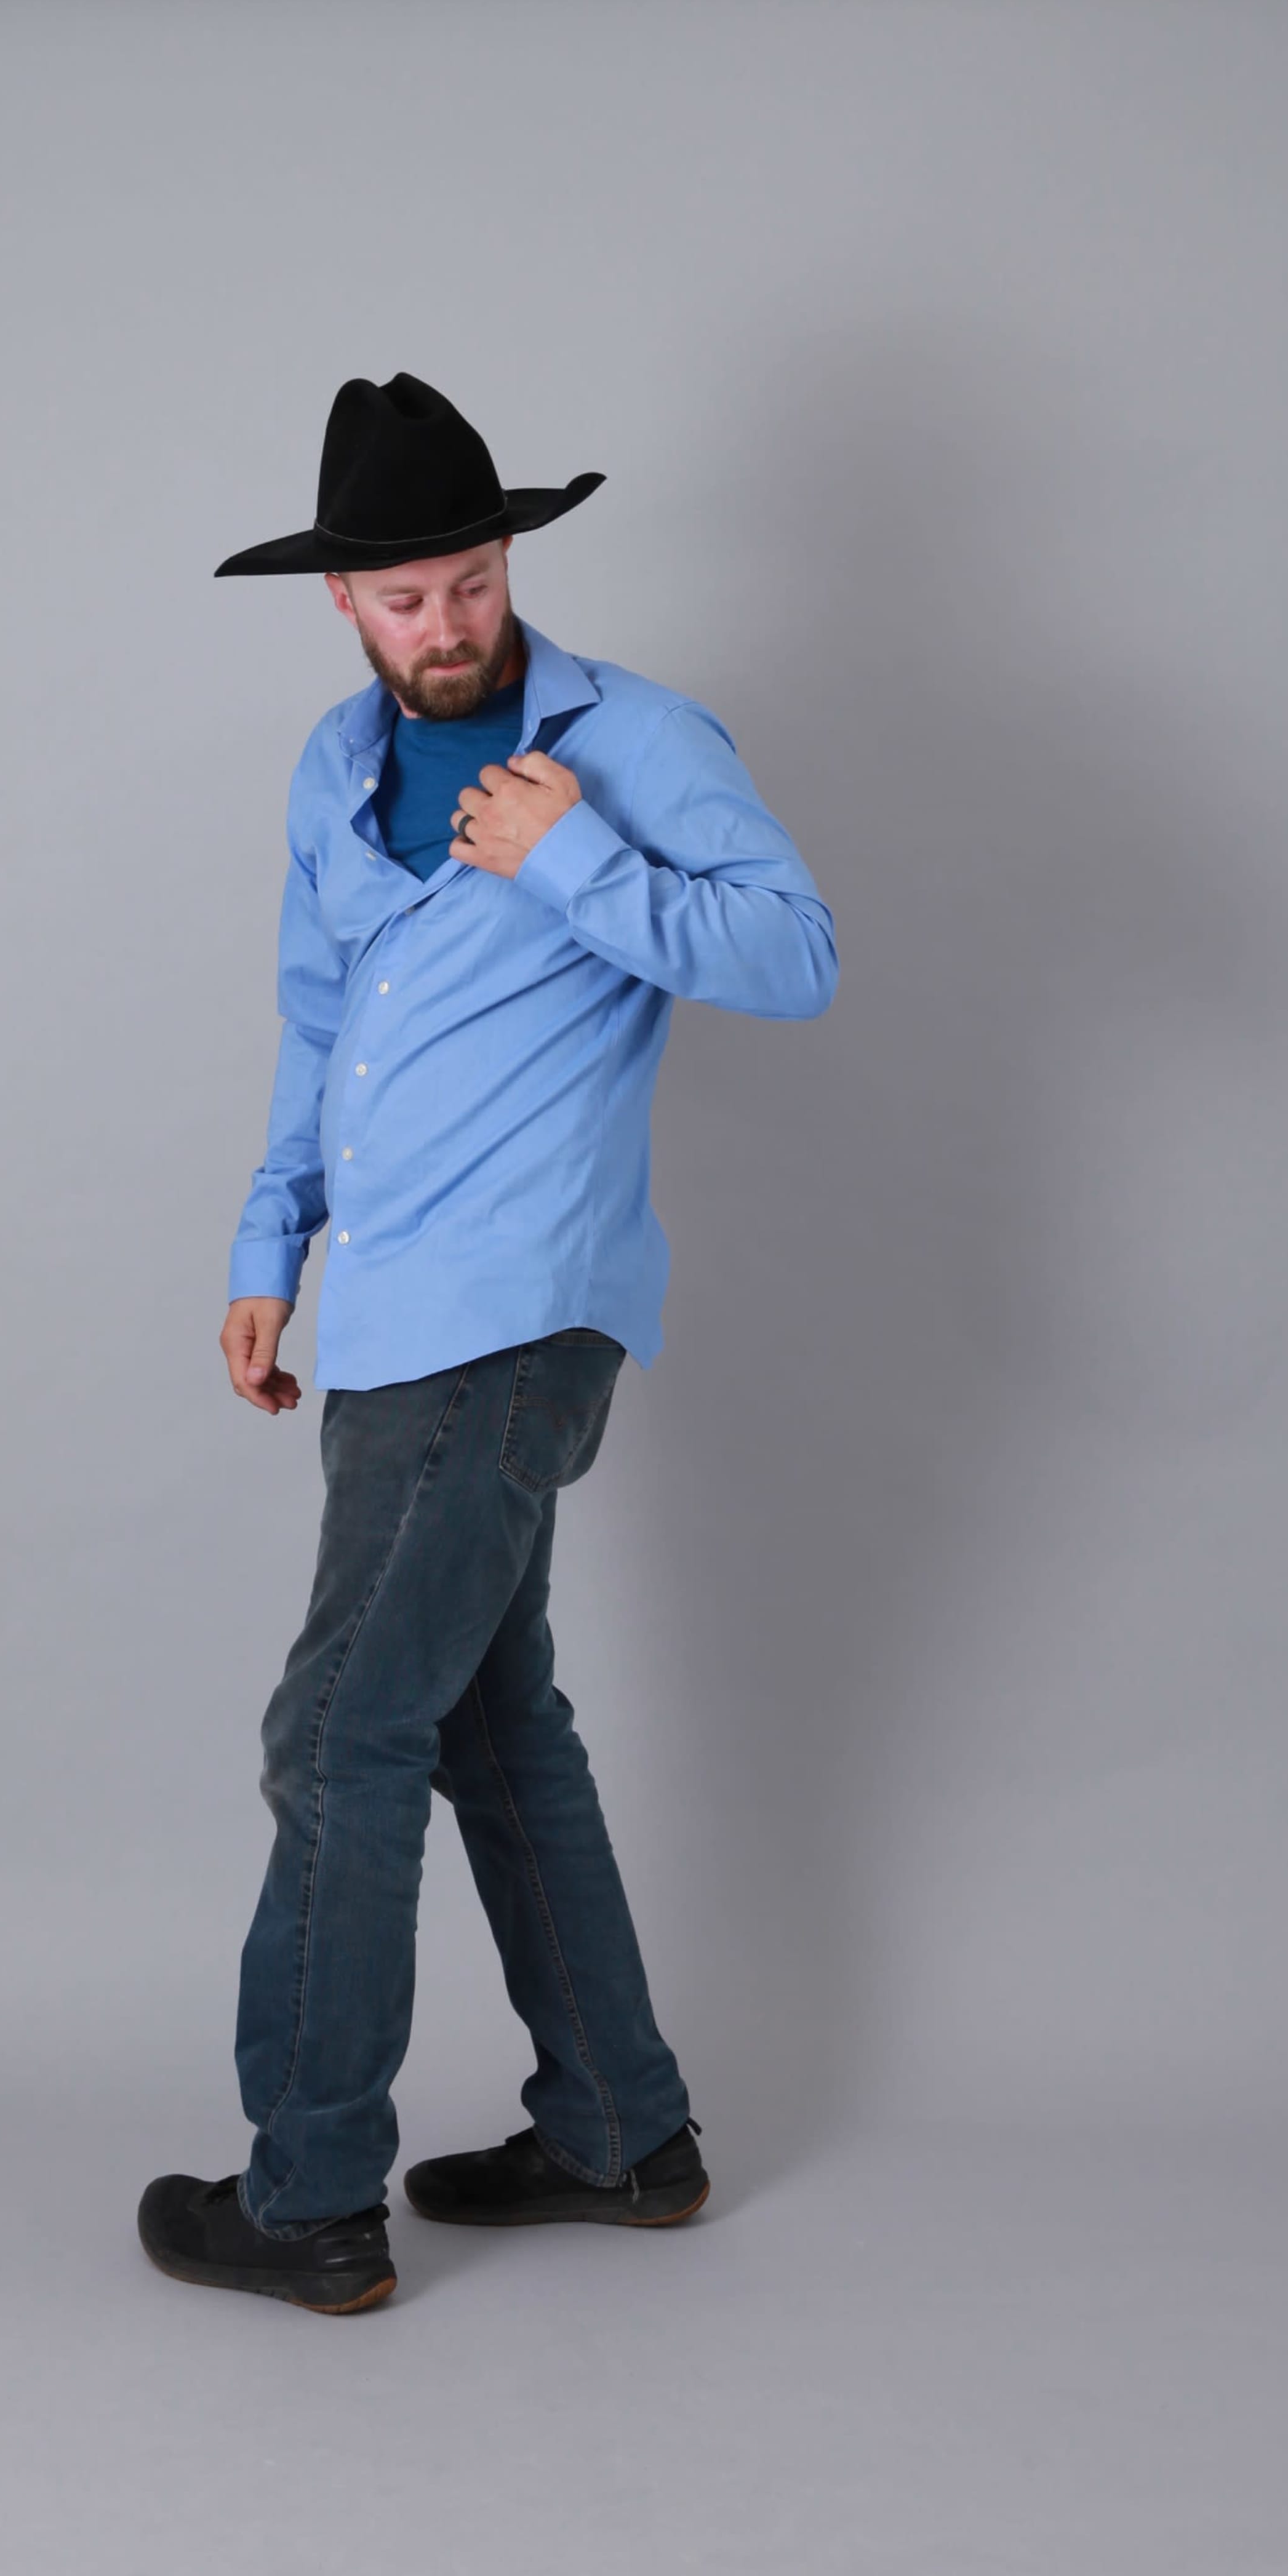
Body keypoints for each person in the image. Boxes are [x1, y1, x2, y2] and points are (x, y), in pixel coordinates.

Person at [138, 372, 836, 2314]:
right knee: (479, 1721)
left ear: (510, 557)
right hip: (385, 1315)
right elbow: (316, 1021)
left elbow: (799, 952)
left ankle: (307, 2194)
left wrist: (581, 863)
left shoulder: (633, 741)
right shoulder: (331, 763)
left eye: (471, 581)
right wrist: (271, 1240)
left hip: (519, 1318)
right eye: (404, 599)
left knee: (339, 1725)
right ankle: (622, 2130)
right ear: (340, 605)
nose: (446, 626)